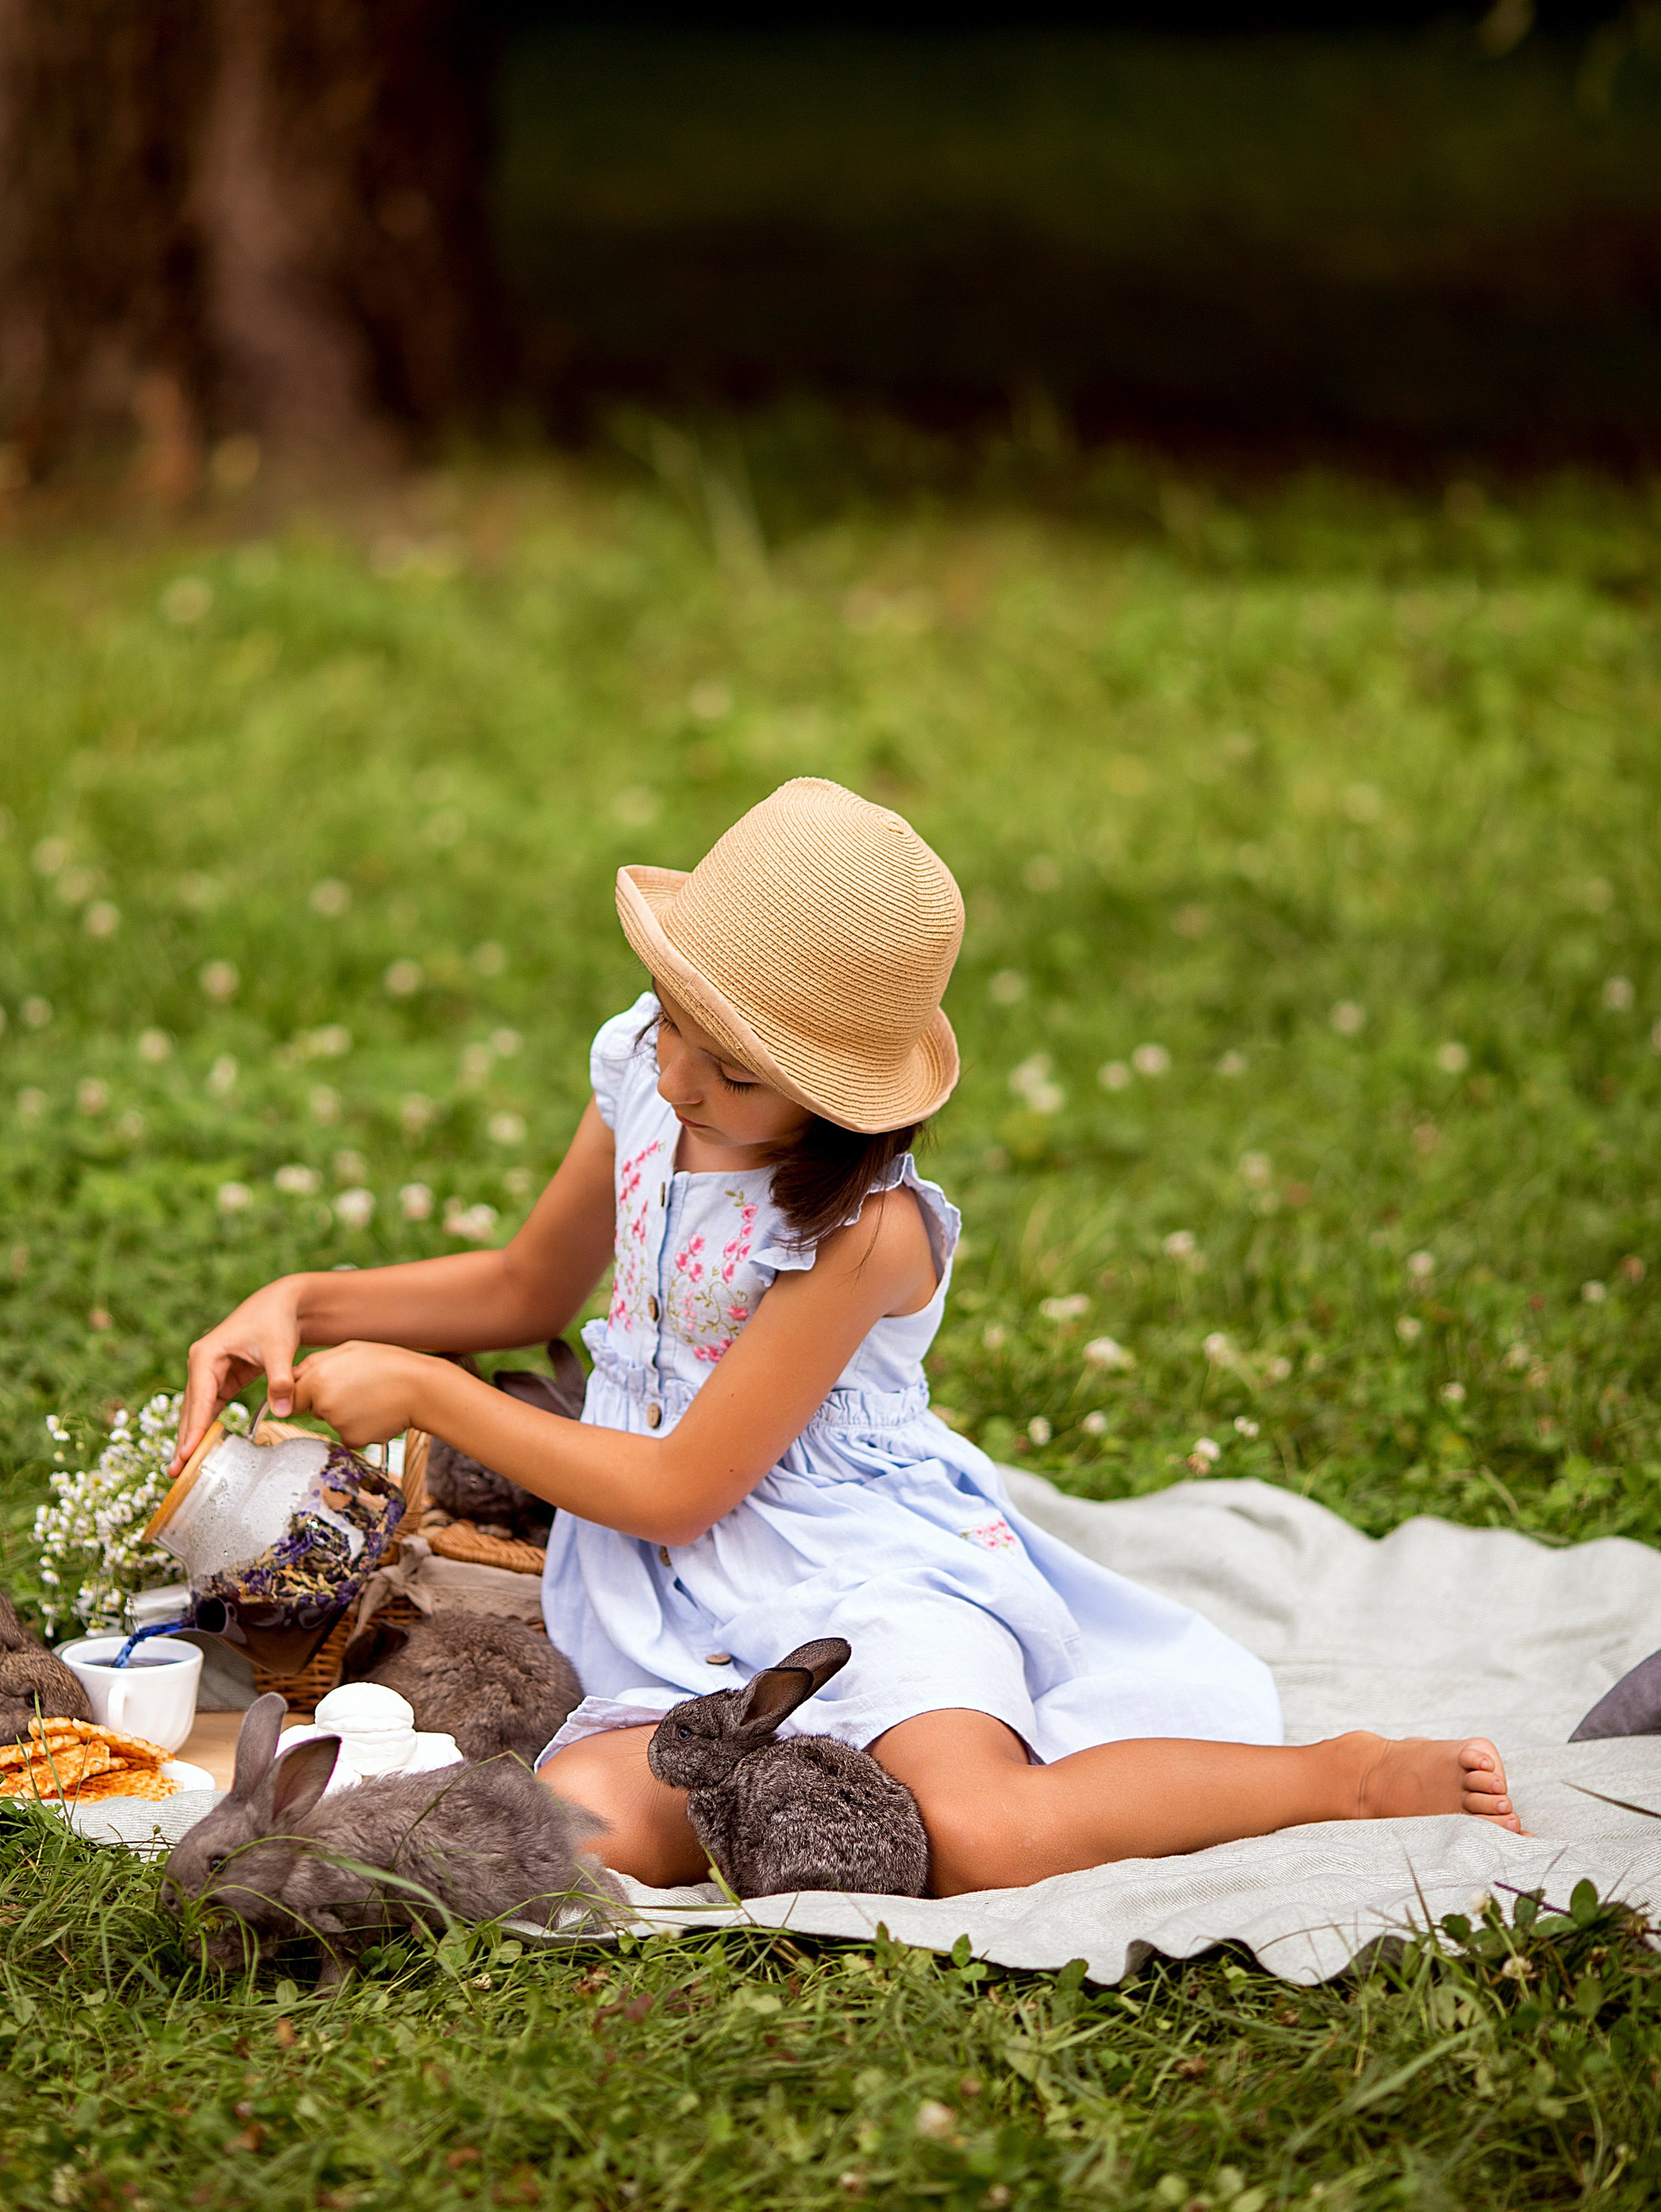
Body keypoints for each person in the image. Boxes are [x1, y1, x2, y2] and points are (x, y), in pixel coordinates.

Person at [173, 777, 1520, 1893]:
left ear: (839, 1101)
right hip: (668, 1601)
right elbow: (530, 1286)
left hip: (859, 1571)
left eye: (738, 1067)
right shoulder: (654, 1066)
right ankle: (779, 1778)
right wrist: (310, 1299)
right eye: (680, 1021)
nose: (684, 1075)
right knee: (579, 1824)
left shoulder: (864, 1230)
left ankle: (1338, 1777)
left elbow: (686, 1481)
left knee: (980, 1835)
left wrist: (425, 1393)